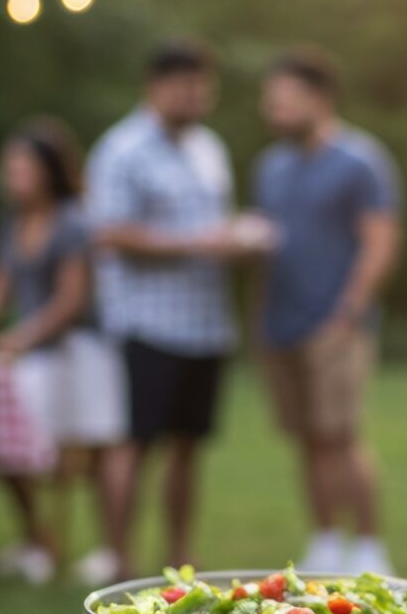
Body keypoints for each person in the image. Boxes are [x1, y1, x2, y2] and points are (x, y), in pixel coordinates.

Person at [85, 39, 270, 573]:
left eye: (202, 88)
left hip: (207, 324)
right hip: (146, 322)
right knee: (134, 442)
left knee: (189, 445)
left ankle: (178, 555)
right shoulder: (122, 150)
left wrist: (238, 239)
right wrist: (196, 243)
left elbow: (217, 223)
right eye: (184, 86)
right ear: (156, 86)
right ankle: (118, 559)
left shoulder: (208, 148)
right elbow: (110, 233)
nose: (194, 97)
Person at [0, 119, 127, 585]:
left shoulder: (74, 221)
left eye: (21, 165)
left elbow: (71, 300)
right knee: (6, 444)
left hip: (82, 352)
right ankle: (37, 539)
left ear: (48, 171)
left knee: (96, 450)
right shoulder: (13, 221)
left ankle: (113, 552)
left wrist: (19, 339)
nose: (12, 174)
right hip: (37, 357)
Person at [251, 48, 402, 574]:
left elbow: (379, 240)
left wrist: (348, 311)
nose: (275, 113)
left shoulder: (361, 162)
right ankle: (324, 541)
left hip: (336, 324)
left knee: (341, 435)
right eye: (271, 104)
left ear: (319, 98)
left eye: (285, 102)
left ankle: (367, 546)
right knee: (306, 438)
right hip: (280, 324)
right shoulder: (270, 167)